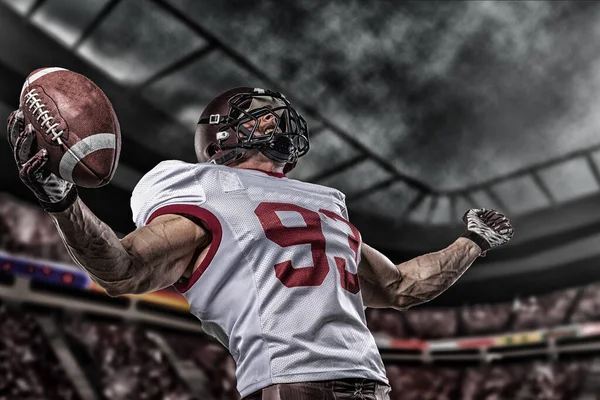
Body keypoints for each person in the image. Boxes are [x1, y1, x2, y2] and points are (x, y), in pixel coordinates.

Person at [7, 87, 514, 400]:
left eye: (275, 114)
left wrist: (472, 241)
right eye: (257, 113)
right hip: (293, 382)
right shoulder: (204, 189)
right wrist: (62, 201)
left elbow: (401, 286)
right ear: (220, 136)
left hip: (367, 384)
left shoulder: (324, 203)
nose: (274, 120)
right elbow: (124, 269)